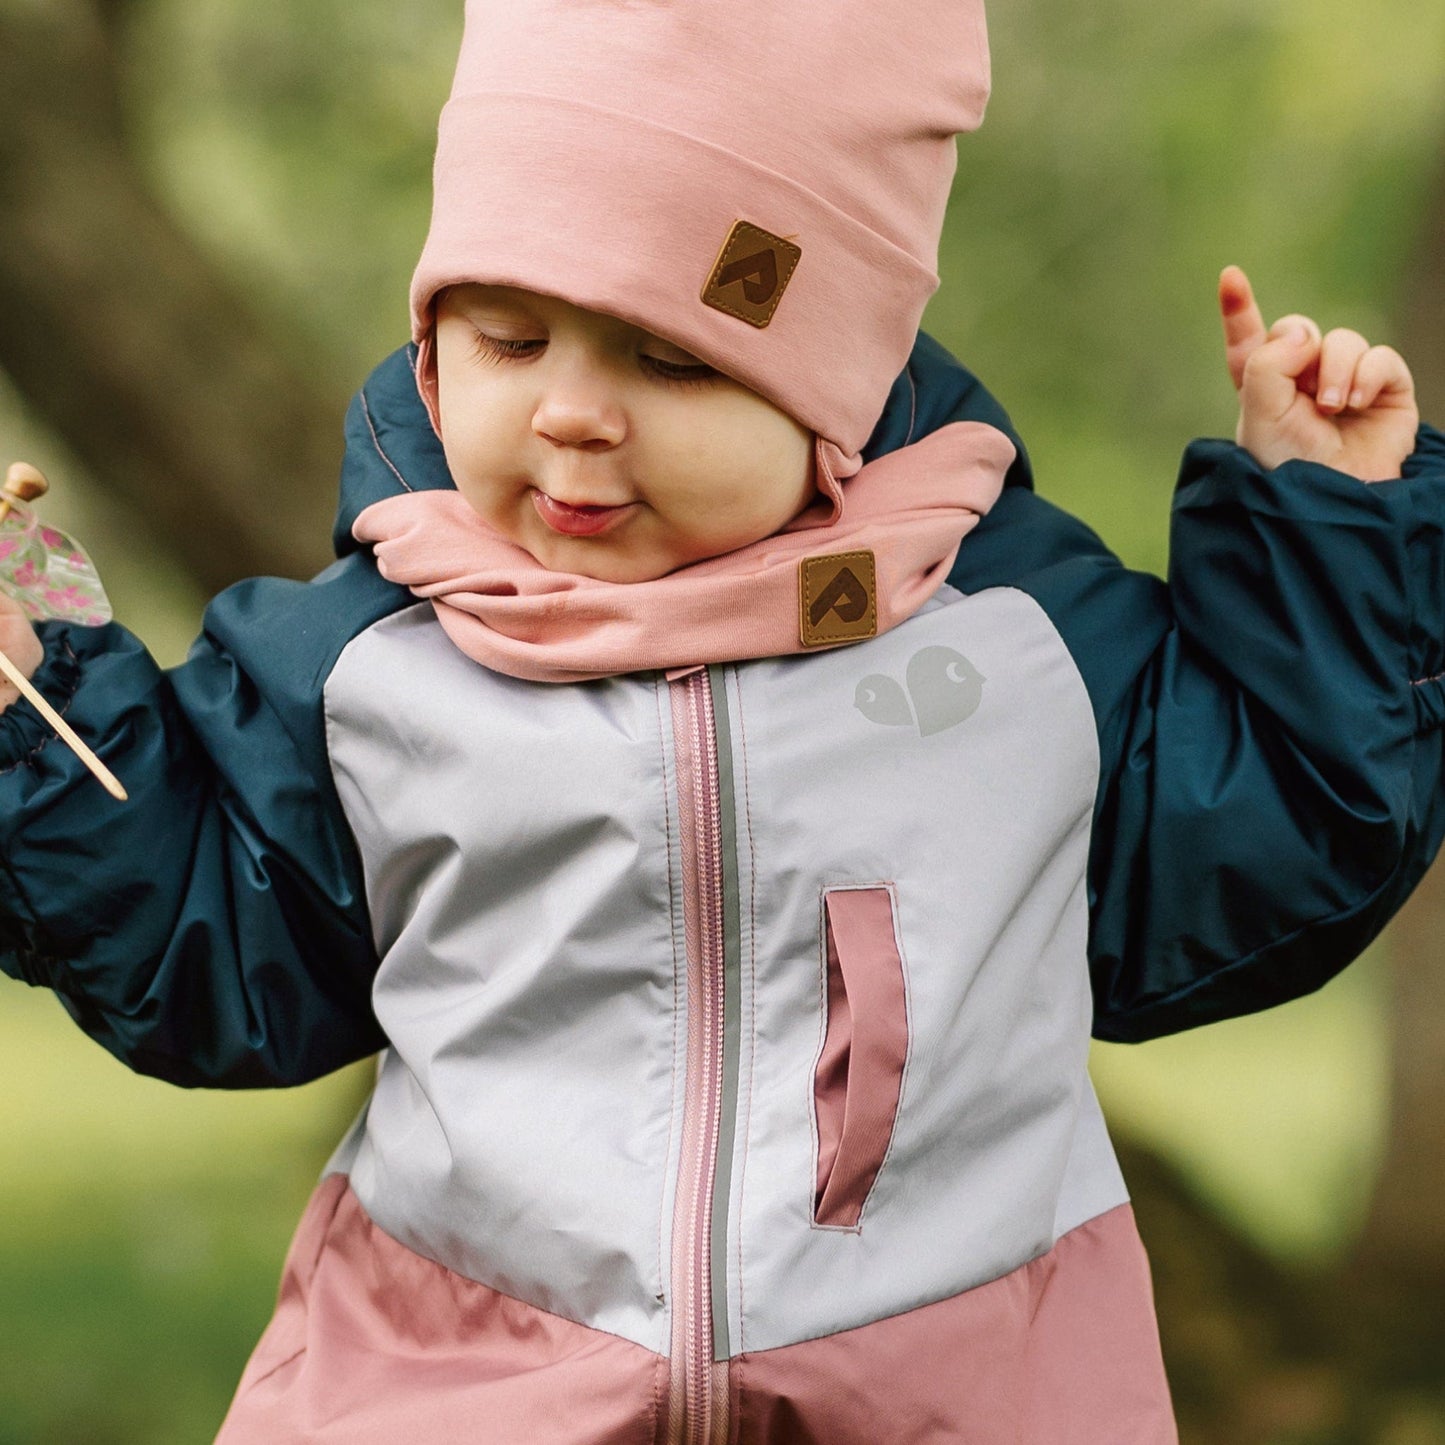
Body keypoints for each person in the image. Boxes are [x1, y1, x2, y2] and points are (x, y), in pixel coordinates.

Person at [1, 1, 1442, 1440]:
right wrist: (29, 705)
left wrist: (1332, 534)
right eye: (508, 337)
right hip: (465, 1377)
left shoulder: (1007, 642)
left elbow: (1260, 845)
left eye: (672, 361)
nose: (571, 414)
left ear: (839, 383)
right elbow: (203, 933)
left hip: (950, 1383)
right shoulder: (374, 658)